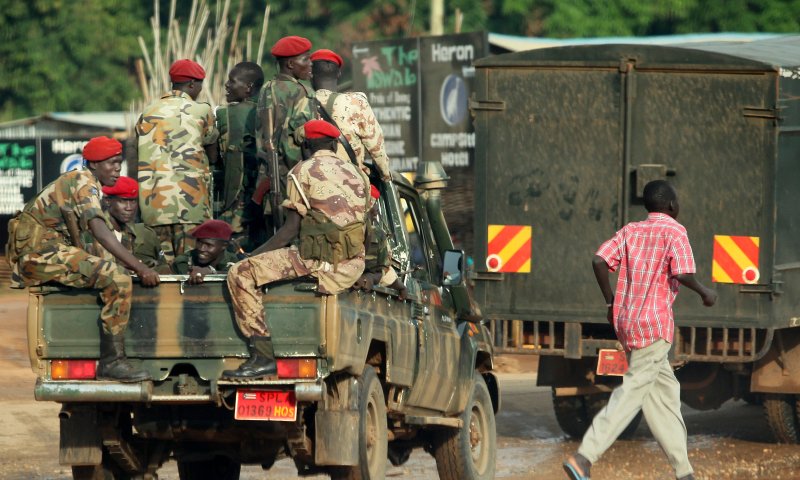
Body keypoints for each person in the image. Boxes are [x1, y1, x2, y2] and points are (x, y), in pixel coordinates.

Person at [564, 180, 717, 480]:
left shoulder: (631, 230)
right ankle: (585, 457)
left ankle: (684, 472)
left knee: (664, 396)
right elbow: (682, 272)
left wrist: (610, 302)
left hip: (627, 323)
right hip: (654, 326)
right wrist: (704, 293)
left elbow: (598, 260)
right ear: (672, 206)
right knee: (633, 392)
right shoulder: (675, 230)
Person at [222, 120, 369, 380]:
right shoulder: (358, 174)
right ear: (334, 145)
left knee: (241, 273)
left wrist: (251, 256)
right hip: (353, 265)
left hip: (317, 261)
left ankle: (262, 356)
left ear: (307, 146)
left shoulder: (302, 171)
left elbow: (290, 230)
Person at [7, 137, 160, 382]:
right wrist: (139, 267)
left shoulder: (85, 183)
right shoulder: (83, 182)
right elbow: (98, 229)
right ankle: (112, 363)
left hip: (48, 252)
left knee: (113, 269)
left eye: (119, 163)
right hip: (40, 254)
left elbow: (91, 240)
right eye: (111, 163)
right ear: (94, 164)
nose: (117, 169)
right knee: (118, 277)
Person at [136, 58, 219, 264]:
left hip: (154, 207)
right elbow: (214, 155)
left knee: (161, 270)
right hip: (191, 206)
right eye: (200, 85)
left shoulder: (147, 112)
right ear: (192, 84)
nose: (200, 89)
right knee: (188, 266)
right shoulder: (201, 110)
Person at [255, 35, 317, 230]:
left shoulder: (267, 89)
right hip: (293, 183)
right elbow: (303, 142)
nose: (310, 64)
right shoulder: (301, 92)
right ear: (290, 64)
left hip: (267, 179)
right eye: (305, 59)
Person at [311, 48, 391, 181]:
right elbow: (376, 148)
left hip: (312, 183)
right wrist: (385, 176)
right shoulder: (356, 103)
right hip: (352, 185)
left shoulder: (302, 104)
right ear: (339, 73)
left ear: (310, 74)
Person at [215, 62, 265, 251]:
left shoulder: (225, 114)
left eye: (232, 81)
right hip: (262, 201)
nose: (227, 85)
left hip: (234, 203)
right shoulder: (269, 112)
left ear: (248, 87)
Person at [82, 175, 165, 269]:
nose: (129, 208)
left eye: (133, 201)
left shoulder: (144, 234)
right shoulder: (93, 230)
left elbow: (164, 270)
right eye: (123, 201)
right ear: (107, 201)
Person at [353, 184, 407, 299]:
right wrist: (401, 287)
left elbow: (382, 270)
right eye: (374, 203)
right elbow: (383, 271)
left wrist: (370, 278)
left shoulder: (376, 233)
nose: (377, 210)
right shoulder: (377, 234)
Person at [170, 219, 240, 284]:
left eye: (208, 245)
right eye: (199, 242)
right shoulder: (184, 260)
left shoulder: (233, 260)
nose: (202, 248)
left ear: (224, 246)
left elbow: (238, 275)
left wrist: (211, 272)